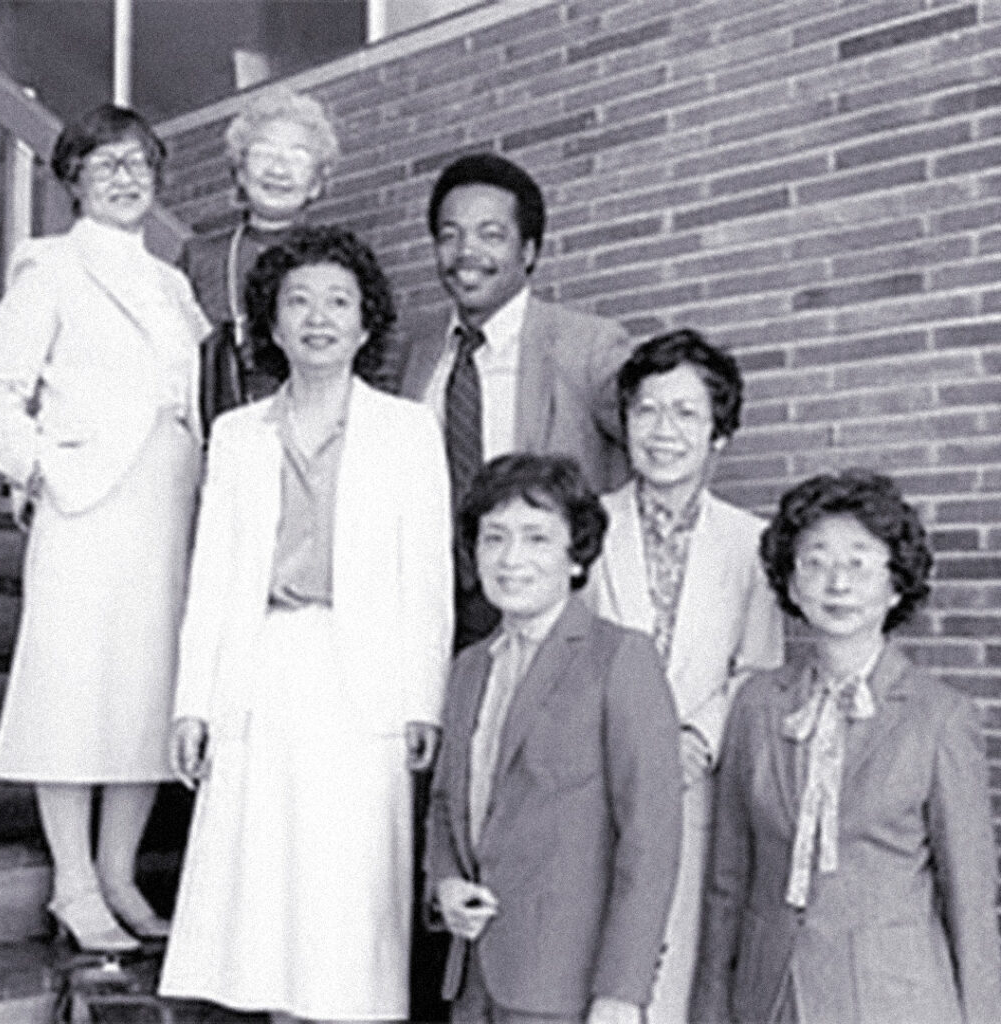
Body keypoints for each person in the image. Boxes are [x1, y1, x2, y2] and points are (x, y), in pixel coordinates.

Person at [158, 225, 453, 1023]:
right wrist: (194, 704)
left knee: (351, 887)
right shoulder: (237, 434)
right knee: (266, 891)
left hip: (364, 679)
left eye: (338, 302)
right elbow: (211, 579)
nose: (318, 318)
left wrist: (423, 699)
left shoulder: (405, 429)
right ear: (273, 322)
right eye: (298, 301)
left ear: (365, 324)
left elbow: (426, 576)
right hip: (263, 668)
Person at [0, 104, 209, 952]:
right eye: (104, 162)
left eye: (139, 161)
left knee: (146, 693)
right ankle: (73, 883)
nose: (125, 176)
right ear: (71, 179)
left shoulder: (175, 285)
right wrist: (33, 470)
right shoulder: (50, 269)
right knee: (73, 691)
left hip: (164, 510)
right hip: (85, 505)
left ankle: (118, 874)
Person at [690, 471, 1001, 1024]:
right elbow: (727, 881)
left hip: (896, 1001)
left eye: (859, 562)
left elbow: (971, 902)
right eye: (815, 561)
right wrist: (711, 1011)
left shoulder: (939, 717)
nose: (837, 584)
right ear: (789, 583)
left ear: (897, 584)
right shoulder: (757, 705)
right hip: (771, 997)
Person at [425, 453, 682, 1024]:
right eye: (494, 538)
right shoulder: (468, 667)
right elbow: (445, 804)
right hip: (472, 984)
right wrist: (444, 883)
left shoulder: (621, 659)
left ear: (575, 556)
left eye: (537, 538)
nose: (511, 559)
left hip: (570, 987)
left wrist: (623, 990)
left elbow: (652, 839)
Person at [584, 329, 784, 1024]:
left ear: (719, 434)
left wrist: (693, 739)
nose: (662, 431)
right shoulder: (583, 528)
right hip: (590, 791)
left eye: (686, 414)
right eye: (646, 410)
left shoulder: (754, 544)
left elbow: (757, 670)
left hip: (693, 791)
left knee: (670, 989)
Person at [396, 152, 636, 650]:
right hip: (432, 612)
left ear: (528, 250)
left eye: (491, 234)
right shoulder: (416, 353)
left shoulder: (586, 346)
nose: (467, 251)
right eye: (449, 234)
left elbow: (657, 449)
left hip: (546, 609)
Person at [178, 85, 340, 431]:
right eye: (264, 153)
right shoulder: (200, 258)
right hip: (220, 430)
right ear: (239, 172)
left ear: (316, 183)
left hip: (318, 427)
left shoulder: (337, 258)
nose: (279, 169)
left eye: (297, 157)